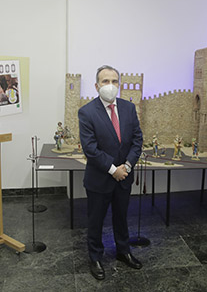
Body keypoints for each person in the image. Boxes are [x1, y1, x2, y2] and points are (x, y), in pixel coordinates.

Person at [78, 65, 143, 280]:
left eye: (115, 81)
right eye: (106, 81)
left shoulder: (128, 108)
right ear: (97, 86)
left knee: (121, 217)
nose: (111, 85)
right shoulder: (87, 112)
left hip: (124, 177)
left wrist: (127, 166)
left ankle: (123, 251)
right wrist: (113, 169)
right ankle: (95, 257)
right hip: (100, 179)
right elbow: (90, 148)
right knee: (96, 220)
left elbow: (137, 140)